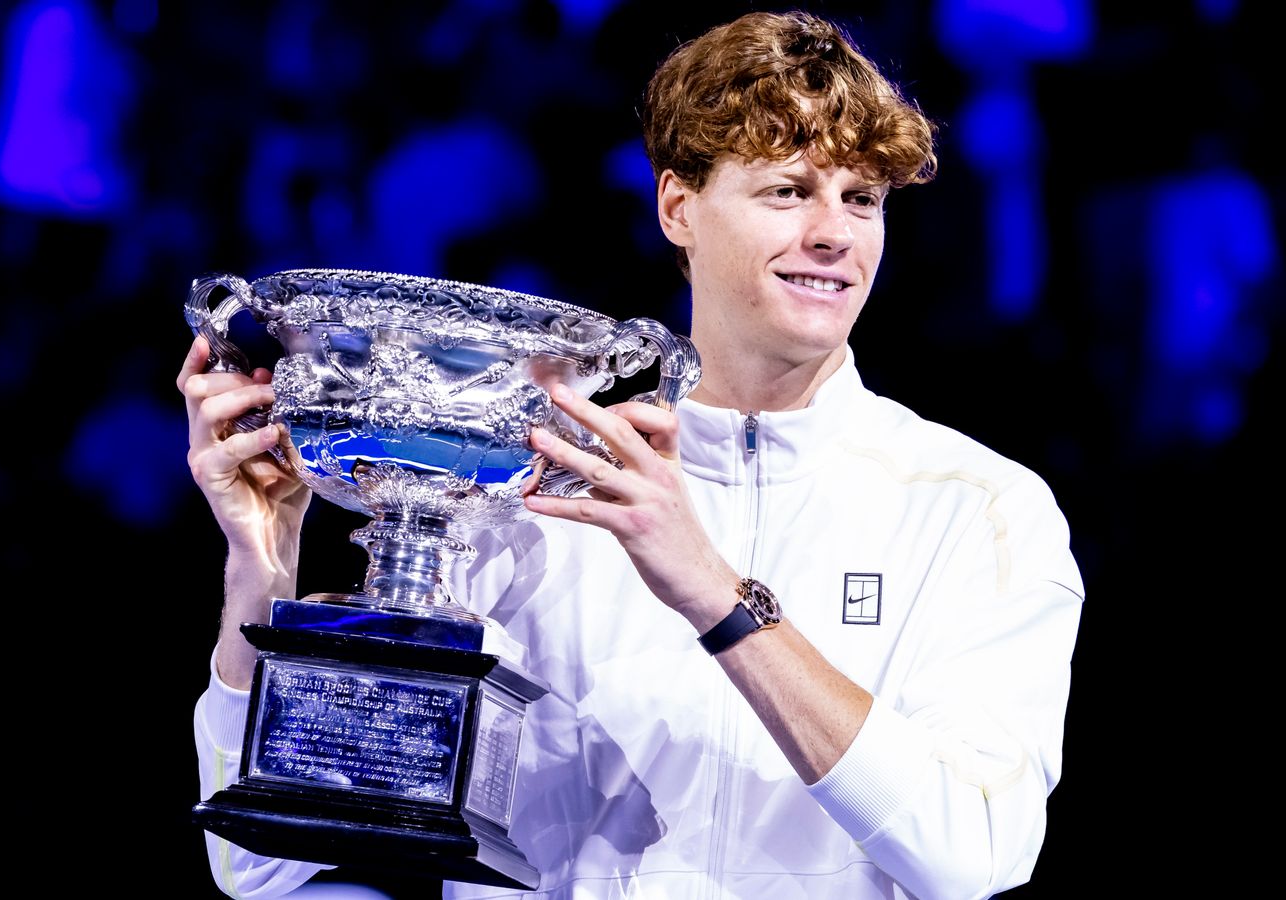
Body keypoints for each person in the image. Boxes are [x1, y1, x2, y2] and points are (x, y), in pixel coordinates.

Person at [181, 10, 1083, 899]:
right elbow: (260, 869)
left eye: (862, 198)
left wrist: (718, 599)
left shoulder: (981, 511)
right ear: (679, 206)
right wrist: (260, 575)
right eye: (787, 190)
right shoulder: (525, 491)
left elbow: (972, 855)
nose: (834, 234)